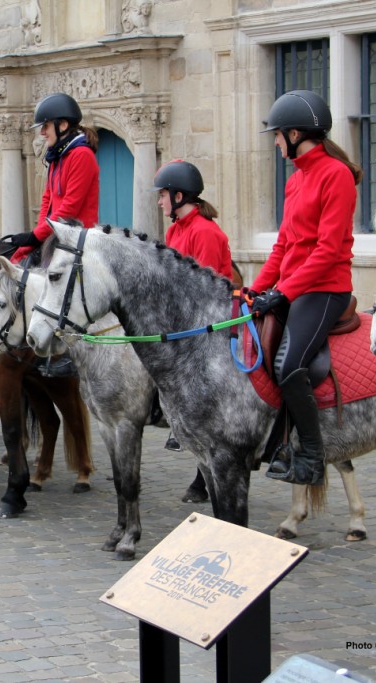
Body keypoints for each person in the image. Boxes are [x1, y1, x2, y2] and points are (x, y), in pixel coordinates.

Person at [249, 89, 362, 486]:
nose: (276, 143)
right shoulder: (296, 181)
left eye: (278, 135)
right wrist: (255, 290)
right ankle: (273, 444)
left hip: (326, 288)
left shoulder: (337, 175)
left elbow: (329, 250)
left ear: (295, 134)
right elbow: (284, 245)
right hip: (296, 286)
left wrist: (285, 291)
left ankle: (313, 457)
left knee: (288, 362)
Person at [153, 159, 234, 501]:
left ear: (179, 195)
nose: (159, 202)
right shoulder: (175, 231)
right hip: (183, 320)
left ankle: (204, 477)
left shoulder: (205, 232)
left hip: (209, 323)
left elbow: (207, 288)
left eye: (163, 195)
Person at [4, 92, 99, 378]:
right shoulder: (57, 157)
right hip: (54, 234)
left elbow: (69, 207)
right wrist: (34, 236)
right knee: (19, 264)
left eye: (45, 126)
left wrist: (36, 235)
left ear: (62, 125)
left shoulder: (81, 155)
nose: (42, 132)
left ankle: (66, 353)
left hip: (75, 237)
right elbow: (48, 201)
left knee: (54, 288)